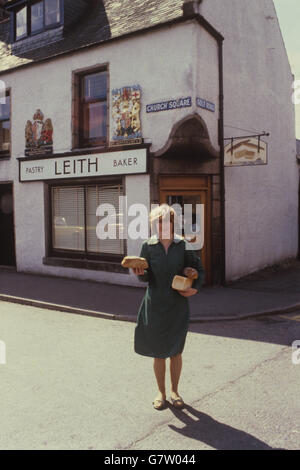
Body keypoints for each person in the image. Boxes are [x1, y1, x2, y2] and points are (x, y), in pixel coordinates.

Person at [131, 204, 205, 410]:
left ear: (172, 222)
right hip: (154, 304)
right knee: (158, 352)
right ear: (153, 224)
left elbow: (198, 270)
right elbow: (146, 277)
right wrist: (140, 273)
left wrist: (195, 288)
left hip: (177, 305)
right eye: (157, 222)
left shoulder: (183, 245)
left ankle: (175, 391)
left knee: (176, 351)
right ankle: (161, 393)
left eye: (165, 221)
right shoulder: (148, 246)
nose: (161, 225)